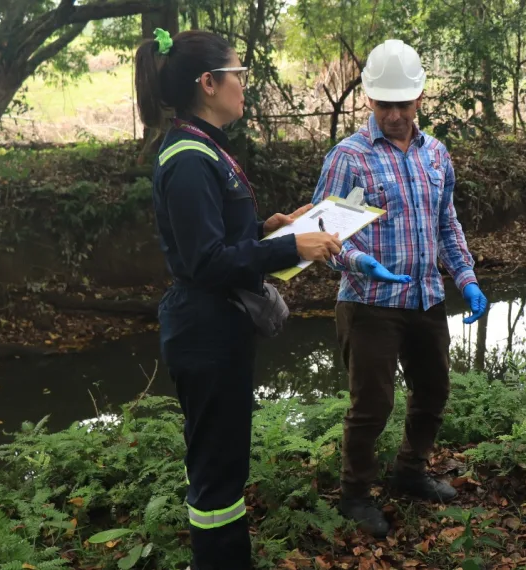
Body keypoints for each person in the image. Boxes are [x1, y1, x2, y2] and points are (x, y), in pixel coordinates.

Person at [135, 28, 343, 569]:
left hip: (217, 327)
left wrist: (271, 226)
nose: (244, 86)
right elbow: (205, 262)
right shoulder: (186, 158)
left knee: (221, 461)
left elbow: (220, 238)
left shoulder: (203, 146)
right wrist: (291, 248)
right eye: (238, 75)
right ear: (208, 83)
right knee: (217, 471)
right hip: (204, 330)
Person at [311, 39, 490, 538]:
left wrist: (468, 279)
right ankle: (355, 493)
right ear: (368, 99)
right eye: (383, 103)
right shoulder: (349, 157)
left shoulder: (436, 154)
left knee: (433, 389)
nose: (392, 113)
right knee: (372, 404)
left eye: (402, 103)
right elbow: (321, 235)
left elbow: (447, 224)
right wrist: (358, 261)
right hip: (369, 303)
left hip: (426, 296)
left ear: (419, 99)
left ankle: (410, 471)